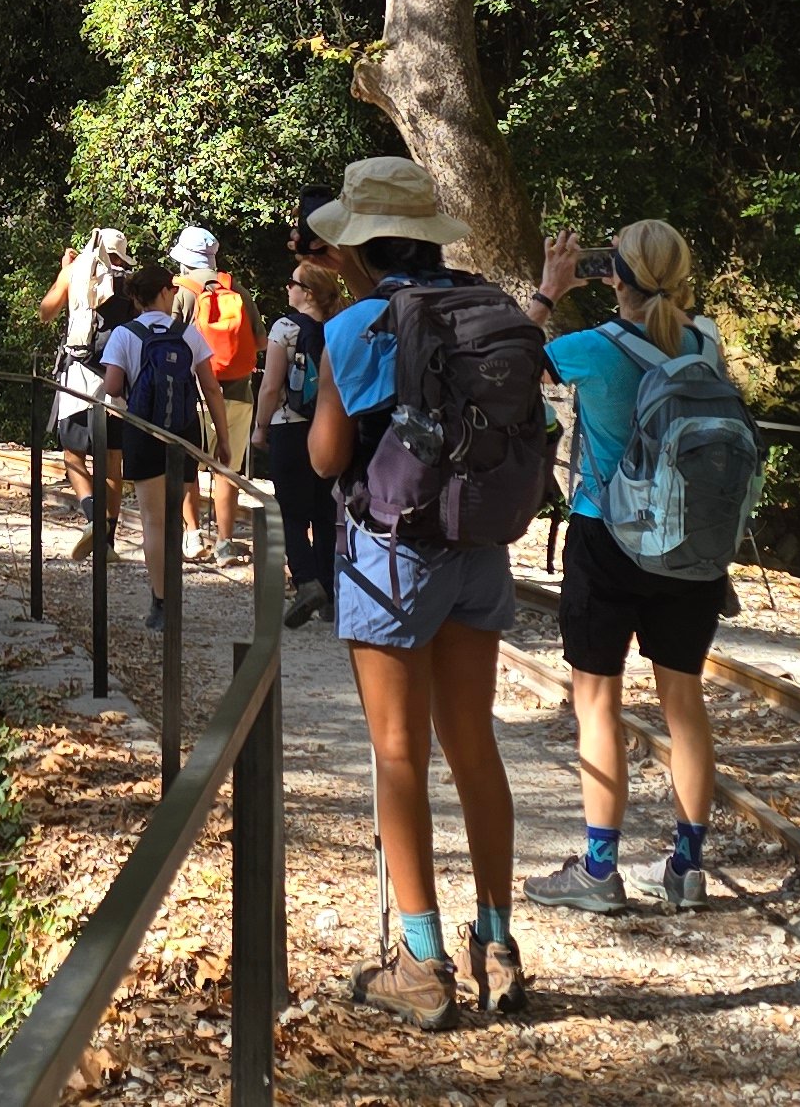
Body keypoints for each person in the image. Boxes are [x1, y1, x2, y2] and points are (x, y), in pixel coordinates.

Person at [306, 157, 531, 1030]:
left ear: (358, 247)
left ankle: (422, 962)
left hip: (393, 556)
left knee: (398, 753)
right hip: (479, 544)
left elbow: (327, 458)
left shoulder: (355, 325)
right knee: (473, 742)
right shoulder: (488, 306)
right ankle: (499, 947)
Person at [525, 220, 732, 918]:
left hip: (606, 536)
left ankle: (599, 870)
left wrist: (548, 291)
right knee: (684, 705)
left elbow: (508, 364)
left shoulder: (589, 348)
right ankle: (687, 870)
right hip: (690, 545)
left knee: (597, 705)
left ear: (612, 273)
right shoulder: (707, 343)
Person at [96, 261, 209, 631]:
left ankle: (162, 602)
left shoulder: (124, 334)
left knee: (152, 521)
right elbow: (209, 387)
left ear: (135, 298)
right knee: (174, 517)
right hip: (183, 432)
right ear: (164, 292)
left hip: (141, 430)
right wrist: (222, 439)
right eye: (172, 289)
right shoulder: (187, 333)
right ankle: (173, 590)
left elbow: (113, 386)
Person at [252, 263, 339, 626]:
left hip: (290, 428)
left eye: (293, 283)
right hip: (331, 428)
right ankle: (330, 595)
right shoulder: (339, 327)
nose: (288, 288)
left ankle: (306, 581)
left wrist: (260, 428)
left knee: (290, 512)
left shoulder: (285, 328)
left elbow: (271, 386)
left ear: (308, 292)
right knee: (325, 512)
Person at [169, 225, 260, 566]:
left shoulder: (180, 291)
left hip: (193, 393)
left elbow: (168, 339)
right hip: (238, 391)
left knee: (187, 467)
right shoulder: (237, 289)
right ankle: (224, 543)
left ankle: (192, 536)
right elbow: (260, 341)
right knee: (227, 469)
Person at [40, 229, 134, 552]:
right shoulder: (130, 284)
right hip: (117, 378)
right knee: (112, 458)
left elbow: (45, 312)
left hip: (79, 374)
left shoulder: (75, 273)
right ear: (121, 257)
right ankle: (107, 542)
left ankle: (94, 518)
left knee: (73, 454)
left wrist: (64, 272)